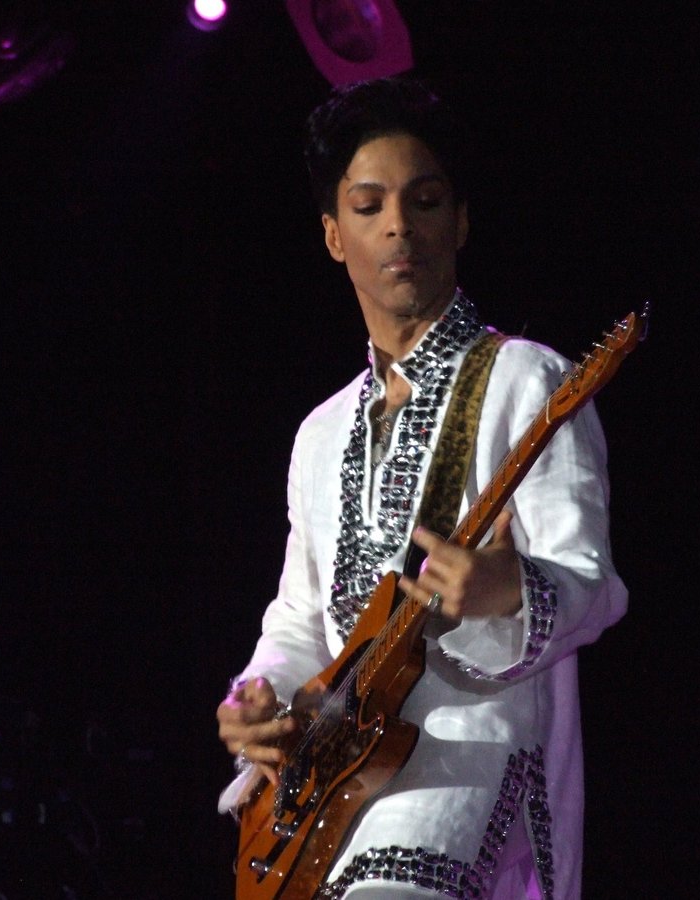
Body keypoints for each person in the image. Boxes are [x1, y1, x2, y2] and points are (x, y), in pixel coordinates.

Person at [216, 76, 628, 899]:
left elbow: (593, 584)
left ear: (461, 220)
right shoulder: (321, 433)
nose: (399, 225)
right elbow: (302, 619)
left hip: (477, 751)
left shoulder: (526, 379)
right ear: (334, 236)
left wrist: (505, 589)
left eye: (425, 200)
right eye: (368, 207)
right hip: (339, 780)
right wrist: (254, 702)